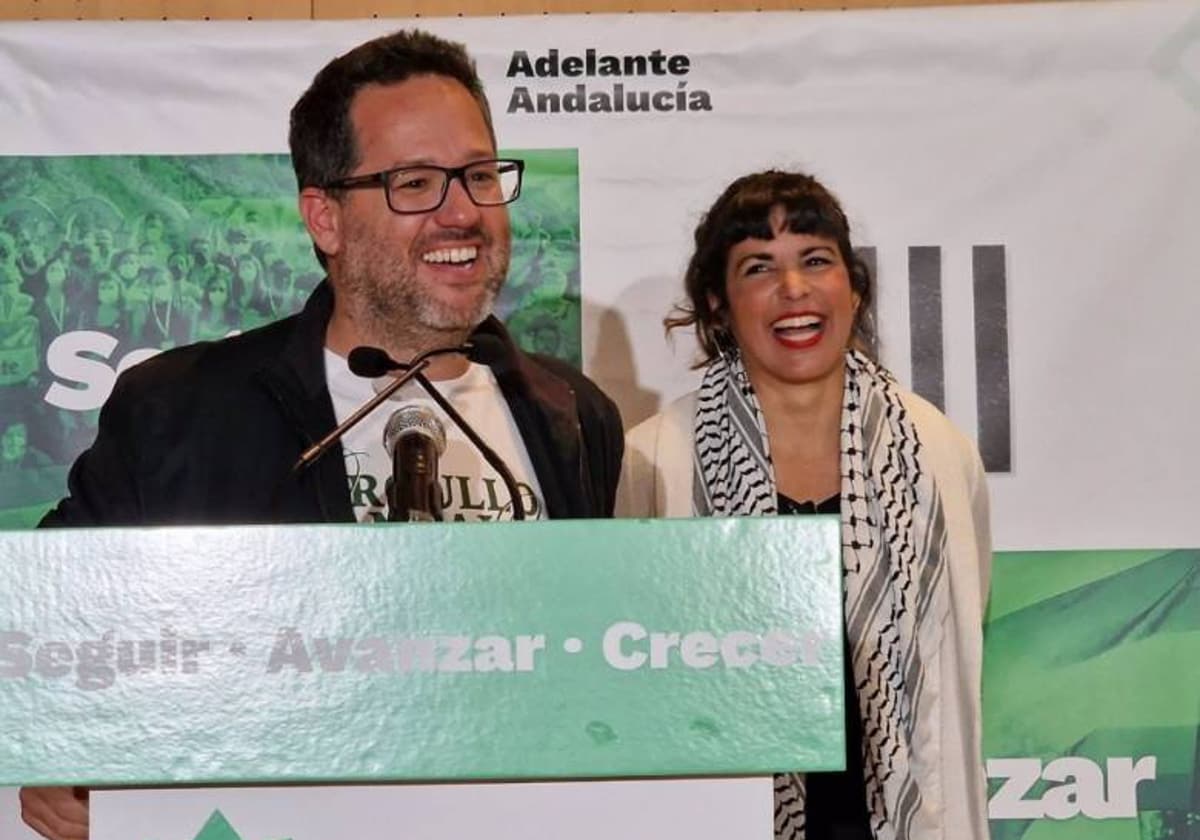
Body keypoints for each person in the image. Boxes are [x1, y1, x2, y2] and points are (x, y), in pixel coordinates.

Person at [22, 29, 623, 840]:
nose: (464, 211)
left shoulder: (575, 415)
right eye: (416, 182)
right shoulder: (180, 410)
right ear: (325, 217)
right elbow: (46, 618)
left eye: (480, 174)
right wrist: (55, 744)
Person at [617, 170, 990, 840]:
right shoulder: (656, 460)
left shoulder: (937, 453)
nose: (794, 290)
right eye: (759, 267)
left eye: (815, 260)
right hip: (724, 817)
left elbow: (961, 637)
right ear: (718, 304)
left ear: (854, 285)